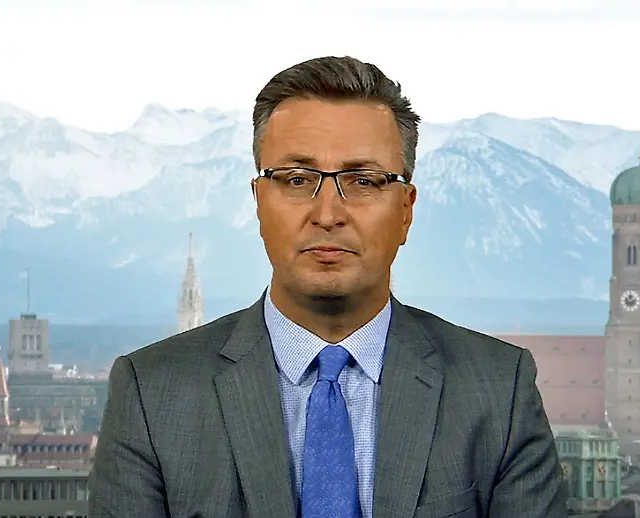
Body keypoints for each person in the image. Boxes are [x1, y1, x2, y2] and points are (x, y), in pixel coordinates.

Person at [89, 55, 567, 518]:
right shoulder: (152, 394)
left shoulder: (498, 391)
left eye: (363, 181)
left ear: (406, 209)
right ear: (258, 202)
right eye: (297, 180)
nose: (327, 214)